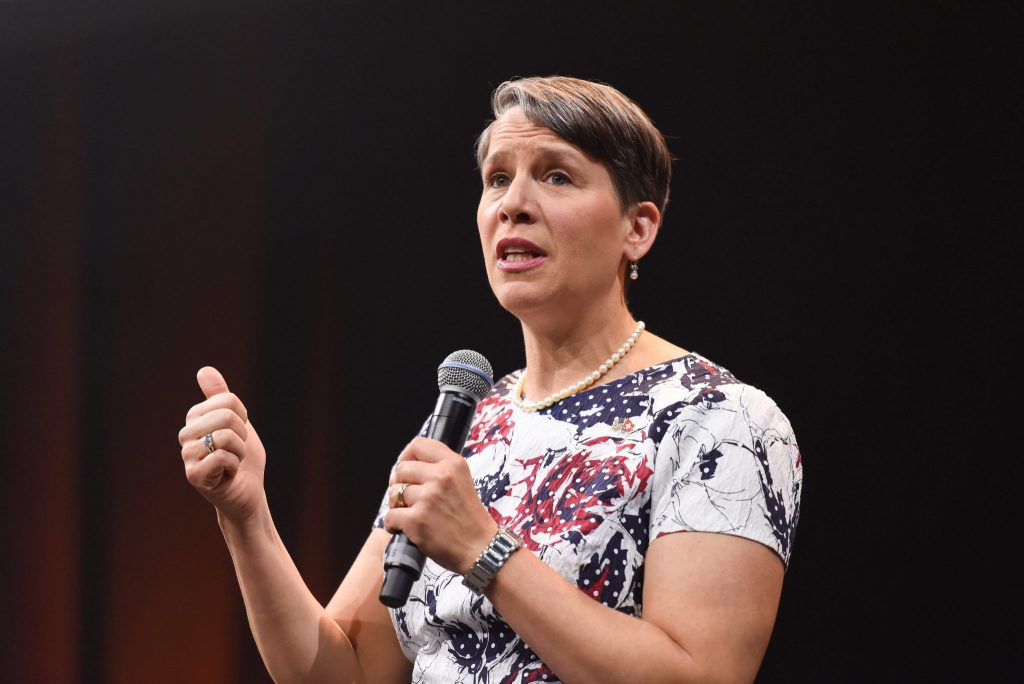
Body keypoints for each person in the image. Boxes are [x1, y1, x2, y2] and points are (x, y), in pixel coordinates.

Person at [178, 76, 802, 684]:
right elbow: (344, 670)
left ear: (636, 228)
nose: (513, 204)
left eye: (557, 176)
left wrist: (486, 550)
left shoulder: (721, 419)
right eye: (498, 179)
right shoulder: (466, 421)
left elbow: (702, 675)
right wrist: (246, 516)